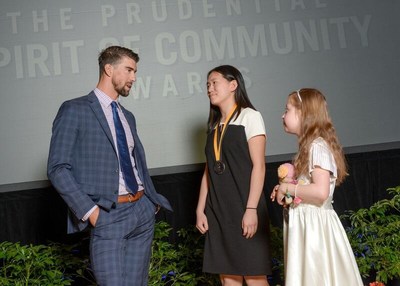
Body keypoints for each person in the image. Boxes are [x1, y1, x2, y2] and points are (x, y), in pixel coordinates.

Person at [47, 45, 172, 286]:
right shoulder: (74, 109)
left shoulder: (128, 116)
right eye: (129, 70)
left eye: (135, 72)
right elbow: (57, 167)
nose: (134, 78)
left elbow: (135, 164)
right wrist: (91, 213)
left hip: (142, 212)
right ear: (108, 69)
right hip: (108, 215)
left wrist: (150, 203)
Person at [270, 88, 363, 285]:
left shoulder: (317, 147)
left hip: (315, 232)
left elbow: (320, 193)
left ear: (303, 113)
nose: (282, 115)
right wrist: (285, 188)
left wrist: (288, 189)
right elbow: (307, 188)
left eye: (287, 110)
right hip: (307, 227)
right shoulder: (309, 147)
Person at [196, 65, 272, 286]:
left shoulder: (250, 116)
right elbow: (209, 171)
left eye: (214, 82)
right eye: (207, 84)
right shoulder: (214, 127)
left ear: (233, 85)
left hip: (245, 207)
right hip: (219, 211)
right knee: (228, 278)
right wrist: (201, 209)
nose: (209, 88)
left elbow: (259, 166)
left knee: (254, 276)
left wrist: (251, 209)